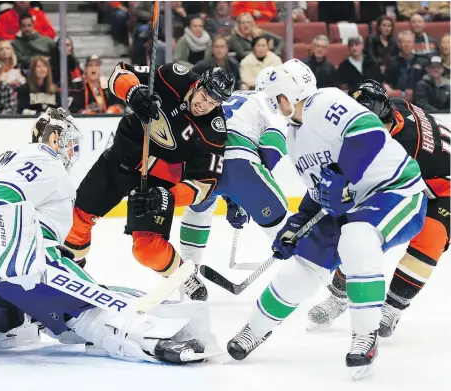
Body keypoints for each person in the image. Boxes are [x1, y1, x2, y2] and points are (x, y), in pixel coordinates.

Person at [0, 108, 210, 365]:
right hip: (18, 268)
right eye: (70, 143)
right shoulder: (42, 158)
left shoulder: (11, 160)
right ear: (56, 138)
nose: (71, 152)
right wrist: (15, 249)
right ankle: (152, 339)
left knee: (10, 326)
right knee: (90, 311)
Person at [229, 60, 427, 380]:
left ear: (291, 93)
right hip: (350, 203)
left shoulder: (326, 101)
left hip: (395, 190)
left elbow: (368, 135)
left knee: (357, 239)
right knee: (303, 266)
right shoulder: (294, 135)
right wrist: (298, 222)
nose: (270, 104)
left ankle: (365, 335)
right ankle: (255, 329)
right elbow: (320, 190)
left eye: (274, 95)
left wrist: (339, 174)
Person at [64, 64, 234, 301]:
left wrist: (170, 197)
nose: (204, 106)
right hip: (122, 159)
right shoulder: (174, 76)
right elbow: (119, 73)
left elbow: (205, 184)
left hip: (156, 184)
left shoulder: (214, 131)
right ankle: (69, 274)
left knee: (148, 251)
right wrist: (133, 91)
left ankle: (184, 276)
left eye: (213, 104)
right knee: (75, 223)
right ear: (198, 85)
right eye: (204, 96)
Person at [307, 79, 450, 339]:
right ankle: (339, 297)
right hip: (420, 178)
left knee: (427, 240)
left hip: (444, 191)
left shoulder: (403, 145)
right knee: (365, 232)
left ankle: (392, 309)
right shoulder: (392, 107)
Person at [179, 80, 290, 268]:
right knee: (283, 225)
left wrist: (233, 199)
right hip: (239, 163)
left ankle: (188, 274)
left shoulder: (231, 95)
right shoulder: (270, 106)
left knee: (198, 210)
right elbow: (270, 149)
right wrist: (243, 199)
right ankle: (322, 275)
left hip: (198, 158)